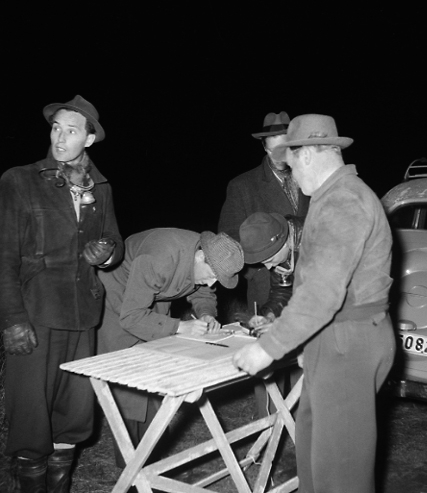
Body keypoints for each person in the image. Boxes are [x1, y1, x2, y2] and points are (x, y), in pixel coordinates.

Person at [233, 114, 396, 493]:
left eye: (291, 165)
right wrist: (310, 344)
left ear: (306, 155)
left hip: (349, 341)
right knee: (313, 458)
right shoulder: (332, 197)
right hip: (335, 337)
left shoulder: (343, 200)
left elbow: (322, 292)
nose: (291, 175)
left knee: (340, 475)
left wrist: (267, 349)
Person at [0, 95, 124, 493]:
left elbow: (115, 241)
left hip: (83, 315)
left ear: (89, 139)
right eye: (56, 128)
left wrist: (106, 253)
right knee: (30, 416)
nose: (60, 138)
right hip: (35, 314)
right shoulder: (19, 180)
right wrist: (12, 319)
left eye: (71, 131)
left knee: (73, 414)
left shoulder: (100, 188)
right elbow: (5, 256)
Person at [96, 227, 244, 465]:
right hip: (119, 298)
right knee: (130, 380)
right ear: (200, 257)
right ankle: (132, 466)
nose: (213, 282)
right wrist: (179, 327)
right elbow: (131, 317)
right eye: (212, 274)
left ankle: (153, 458)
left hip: (153, 294)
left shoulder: (207, 256)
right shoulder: (159, 259)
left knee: (157, 369)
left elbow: (203, 292)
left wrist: (206, 313)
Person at [218, 112, 310, 314]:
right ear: (264, 147)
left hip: (313, 281)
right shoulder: (242, 186)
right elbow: (228, 239)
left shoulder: (312, 178)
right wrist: (259, 267)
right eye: (274, 150)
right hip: (267, 287)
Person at [239, 211, 304, 333]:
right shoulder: (276, 246)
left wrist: (286, 325)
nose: (269, 267)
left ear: (284, 243)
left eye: (271, 260)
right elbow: (282, 291)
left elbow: (321, 298)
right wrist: (270, 316)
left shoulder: (317, 243)